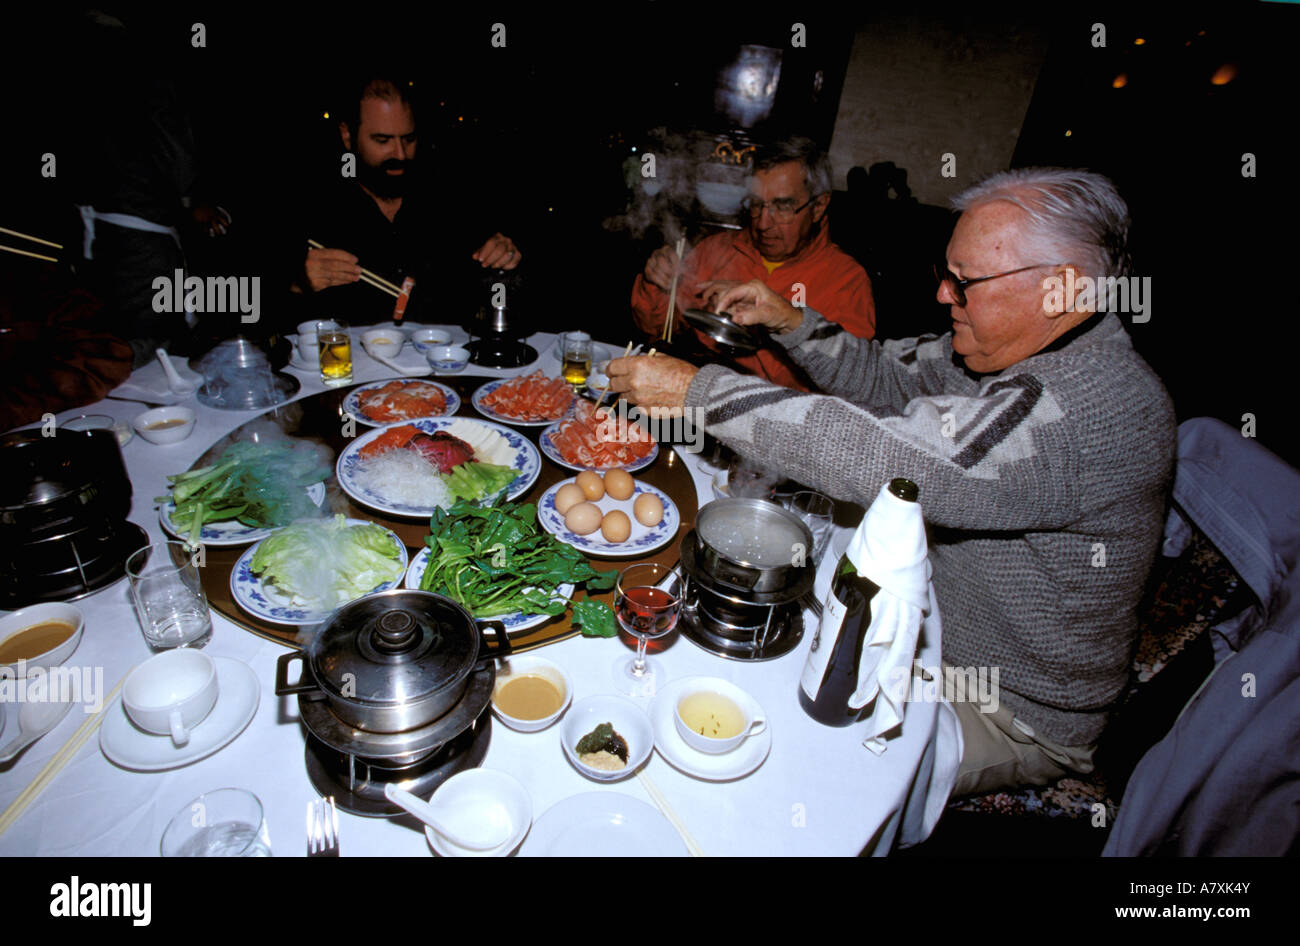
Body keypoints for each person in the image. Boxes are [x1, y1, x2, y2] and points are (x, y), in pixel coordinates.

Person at [609, 168, 1176, 797]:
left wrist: (697, 392)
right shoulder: (1013, 347)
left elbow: (893, 461)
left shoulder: (1095, 408)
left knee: (788, 769)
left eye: (965, 282)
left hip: (998, 702)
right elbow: (884, 376)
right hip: (922, 631)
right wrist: (789, 320)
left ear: (1063, 290)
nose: (942, 294)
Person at [630, 138, 875, 390]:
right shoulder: (718, 248)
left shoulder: (846, 281)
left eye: (783, 207)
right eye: (757, 204)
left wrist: (769, 323)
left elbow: (842, 391)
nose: (762, 223)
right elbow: (657, 330)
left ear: (819, 206)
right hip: (690, 400)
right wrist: (656, 284)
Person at [297, 74, 524, 325]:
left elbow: (499, 295)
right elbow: (250, 304)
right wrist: (297, 282)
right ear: (347, 135)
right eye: (382, 140)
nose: (400, 154)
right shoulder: (314, 202)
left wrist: (505, 261)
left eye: (409, 139)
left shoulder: (448, 198)